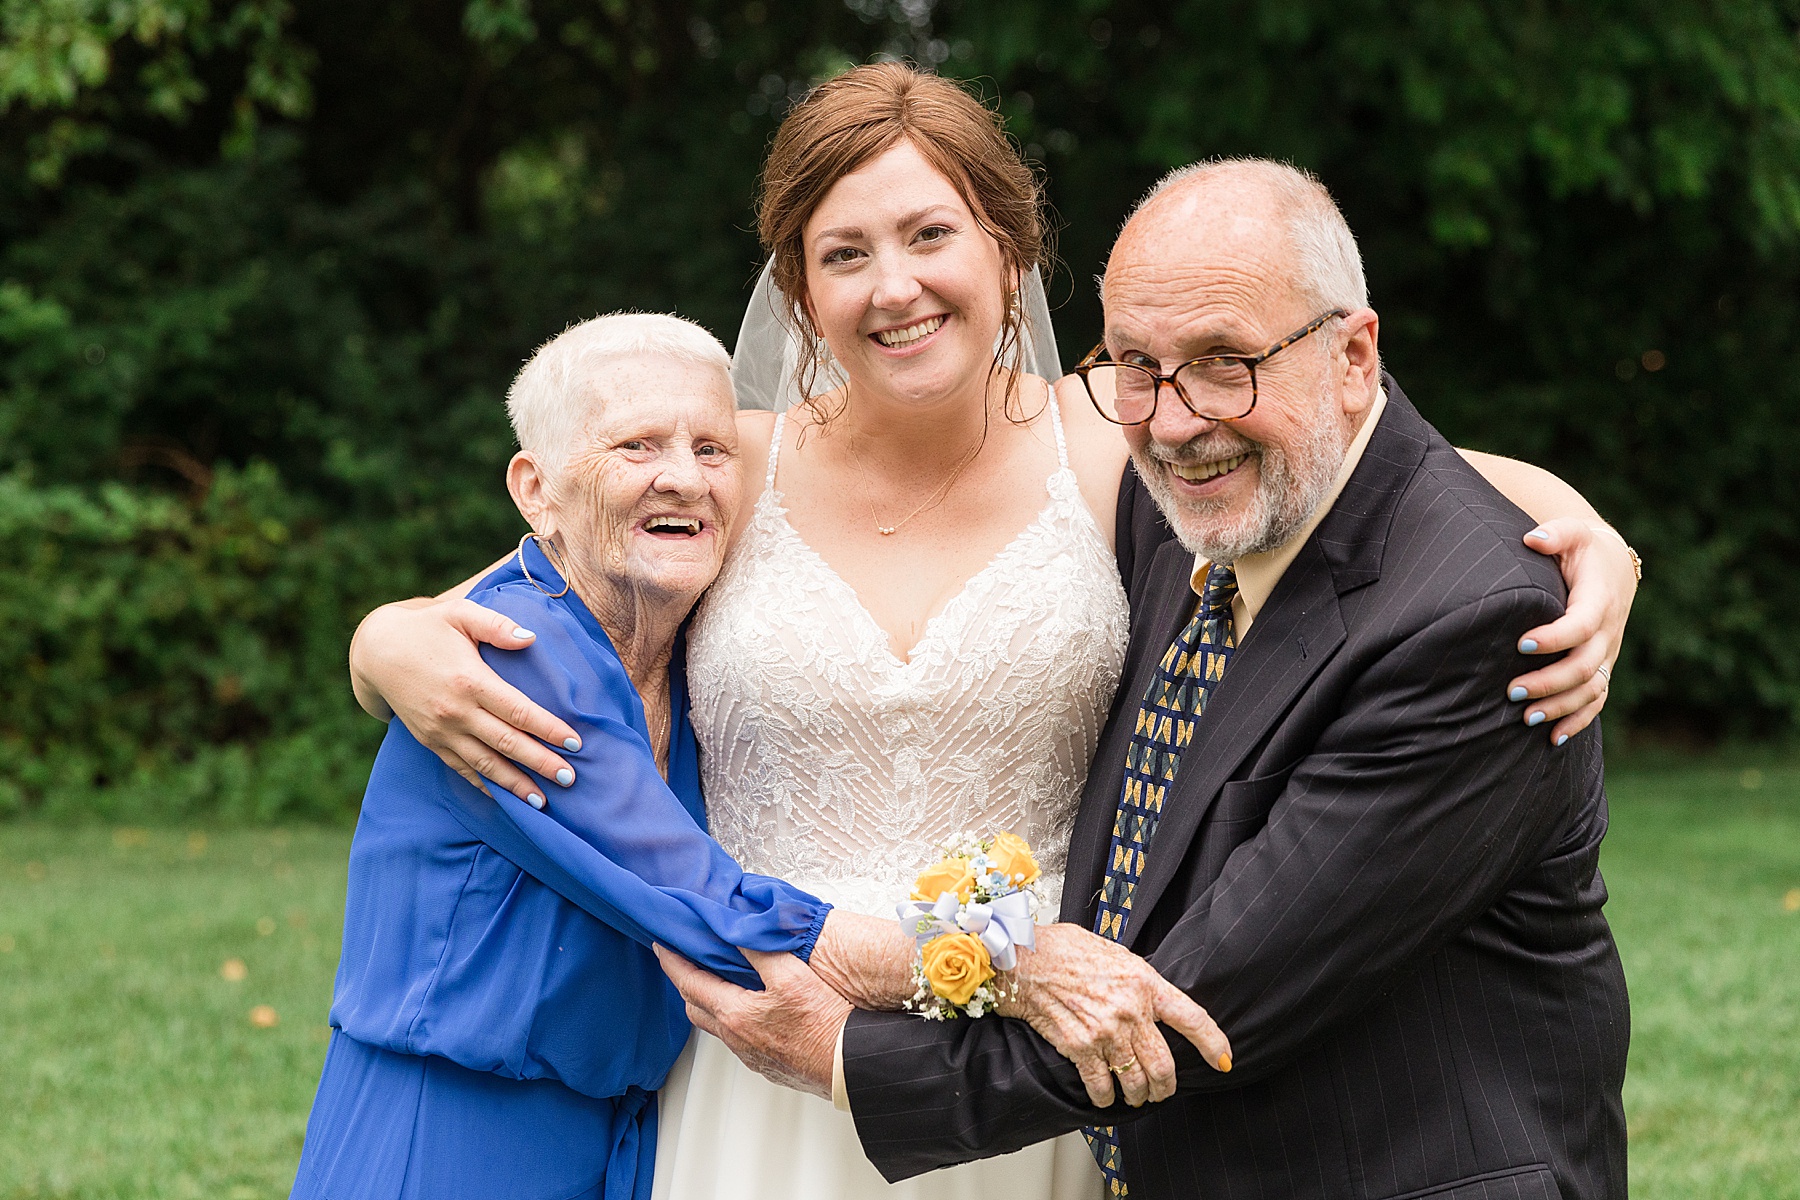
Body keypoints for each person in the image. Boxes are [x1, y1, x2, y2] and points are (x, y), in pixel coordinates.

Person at [347, 66, 1638, 1198]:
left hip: (1037, 1040)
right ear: (797, 287)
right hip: (764, 1030)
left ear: (1007, 250)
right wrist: (384, 642)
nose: (892, 285)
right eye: (843, 253)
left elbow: (1346, 456)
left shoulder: (1113, 432)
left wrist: (1587, 526)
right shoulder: (727, 462)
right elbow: (530, 585)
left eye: (928, 234)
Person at [666, 159, 1632, 1200]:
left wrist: (842, 1058)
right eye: (1139, 366)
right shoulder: (1181, 503)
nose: (1174, 419)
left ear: (1356, 357)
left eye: (1226, 362)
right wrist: (454, 632)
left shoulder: (1480, 627)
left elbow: (1201, 1001)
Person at [290, 313, 847, 1200]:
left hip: (628, 1134)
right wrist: (986, 968)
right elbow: (700, 902)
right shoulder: (512, 653)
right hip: (451, 1134)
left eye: (713, 448)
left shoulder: (703, 644)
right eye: (636, 445)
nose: (684, 477)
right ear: (535, 490)